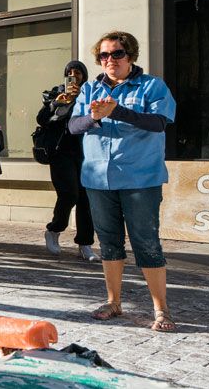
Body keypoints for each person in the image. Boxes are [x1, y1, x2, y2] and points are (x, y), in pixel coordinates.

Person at [69, 31, 177, 332]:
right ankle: (113, 301)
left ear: (130, 55)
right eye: (103, 55)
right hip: (97, 178)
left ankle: (161, 309)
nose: (110, 60)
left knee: (146, 242)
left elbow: (157, 123)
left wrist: (118, 111)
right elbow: (74, 125)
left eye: (116, 54)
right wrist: (95, 117)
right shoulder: (89, 88)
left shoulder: (152, 85)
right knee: (109, 242)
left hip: (140, 178)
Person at [37, 60, 97, 262]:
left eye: (77, 72)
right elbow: (41, 118)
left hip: (86, 152)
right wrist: (57, 103)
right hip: (60, 152)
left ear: (84, 75)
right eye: (70, 72)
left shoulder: (90, 94)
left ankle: (85, 244)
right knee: (69, 194)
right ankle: (54, 229)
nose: (74, 76)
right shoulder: (55, 93)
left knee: (86, 198)